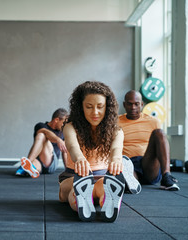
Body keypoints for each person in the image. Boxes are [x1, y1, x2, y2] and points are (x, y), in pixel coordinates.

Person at [58, 81, 139, 222]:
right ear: (80, 107)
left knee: (102, 185)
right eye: (89, 107)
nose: (95, 112)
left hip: (102, 176)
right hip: (75, 176)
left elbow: (116, 149)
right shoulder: (70, 127)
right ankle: (87, 197)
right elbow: (72, 146)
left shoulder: (116, 131)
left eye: (100, 107)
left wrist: (116, 160)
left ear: (107, 107)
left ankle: (101, 198)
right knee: (70, 191)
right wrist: (80, 159)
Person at [118, 90, 179, 191]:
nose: (133, 107)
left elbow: (160, 144)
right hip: (127, 162)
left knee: (159, 133)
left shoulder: (153, 121)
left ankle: (167, 176)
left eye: (136, 104)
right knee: (127, 171)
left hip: (148, 163)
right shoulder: (115, 121)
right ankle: (131, 182)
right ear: (124, 104)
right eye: (129, 104)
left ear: (141, 104)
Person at [16, 108, 69, 178]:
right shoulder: (40, 125)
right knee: (42, 134)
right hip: (39, 161)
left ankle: (25, 165)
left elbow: (65, 151)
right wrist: (58, 139)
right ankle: (31, 169)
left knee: (42, 135)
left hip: (51, 163)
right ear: (56, 120)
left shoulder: (63, 132)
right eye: (63, 123)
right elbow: (45, 131)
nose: (64, 125)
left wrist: (68, 170)